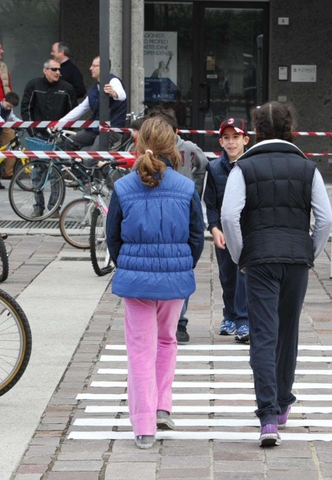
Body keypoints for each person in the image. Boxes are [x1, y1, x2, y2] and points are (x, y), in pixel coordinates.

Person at [221, 102, 332, 447]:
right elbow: (326, 219)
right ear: (290, 129)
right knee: (288, 331)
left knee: (263, 333)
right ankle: (284, 401)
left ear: (256, 131)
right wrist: (308, 251)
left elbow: (229, 216)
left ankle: (267, 414)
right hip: (296, 257)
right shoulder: (307, 167)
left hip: (259, 258)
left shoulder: (244, 167)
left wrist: (242, 254)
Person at [106, 116, 204, 450]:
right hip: (175, 277)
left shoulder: (122, 188)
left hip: (136, 278)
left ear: (138, 144)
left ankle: (144, 425)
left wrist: (129, 264)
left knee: (140, 350)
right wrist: (182, 265)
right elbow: (196, 237)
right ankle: (163, 405)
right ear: (173, 146)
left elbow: (113, 238)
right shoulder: (186, 187)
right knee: (167, 342)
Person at [146, 108, 207, 343]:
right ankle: (157, 316)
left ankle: (180, 321)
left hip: (180, 215)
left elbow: (203, 167)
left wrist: (196, 191)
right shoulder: (145, 155)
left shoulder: (189, 149)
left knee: (181, 269)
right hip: (153, 217)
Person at [204, 118, 250, 342]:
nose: (231, 143)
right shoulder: (213, 168)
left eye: (236, 137)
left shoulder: (252, 165)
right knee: (227, 276)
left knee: (245, 275)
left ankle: (243, 319)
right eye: (227, 138)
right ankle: (229, 315)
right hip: (224, 232)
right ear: (221, 141)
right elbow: (210, 203)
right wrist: (214, 228)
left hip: (247, 231)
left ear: (245, 140)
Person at [57, 56, 127, 151]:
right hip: (95, 128)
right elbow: (81, 108)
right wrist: (60, 122)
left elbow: (122, 95)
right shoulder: (94, 88)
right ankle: (71, 165)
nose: (90, 68)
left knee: (93, 156)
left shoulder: (113, 81)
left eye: (94, 66)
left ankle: (98, 164)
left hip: (111, 129)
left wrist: (114, 93)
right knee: (70, 142)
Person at [21, 58, 77, 139]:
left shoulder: (67, 88)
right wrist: (33, 133)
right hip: (38, 133)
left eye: (59, 69)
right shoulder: (33, 85)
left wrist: (64, 133)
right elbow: (26, 109)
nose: (57, 72)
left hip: (60, 134)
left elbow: (73, 112)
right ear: (45, 70)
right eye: (54, 69)